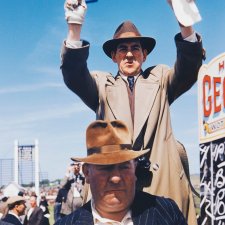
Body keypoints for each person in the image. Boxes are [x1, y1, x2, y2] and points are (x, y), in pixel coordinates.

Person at [60, 0, 205, 224]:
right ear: (113, 57)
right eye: (122, 49)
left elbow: (188, 66)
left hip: (161, 184)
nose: (129, 54)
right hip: (113, 185)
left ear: (144, 55)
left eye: (135, 48)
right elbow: (74, 75)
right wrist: (74, 27)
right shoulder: (101, 85)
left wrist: (185, 20)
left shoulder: (161, 79)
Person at [55, 120, 187, 225]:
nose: (116, 178)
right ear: (87, 173)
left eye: (124, 166)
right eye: (105, 167)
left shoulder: (166, 212)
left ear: (134, 169)